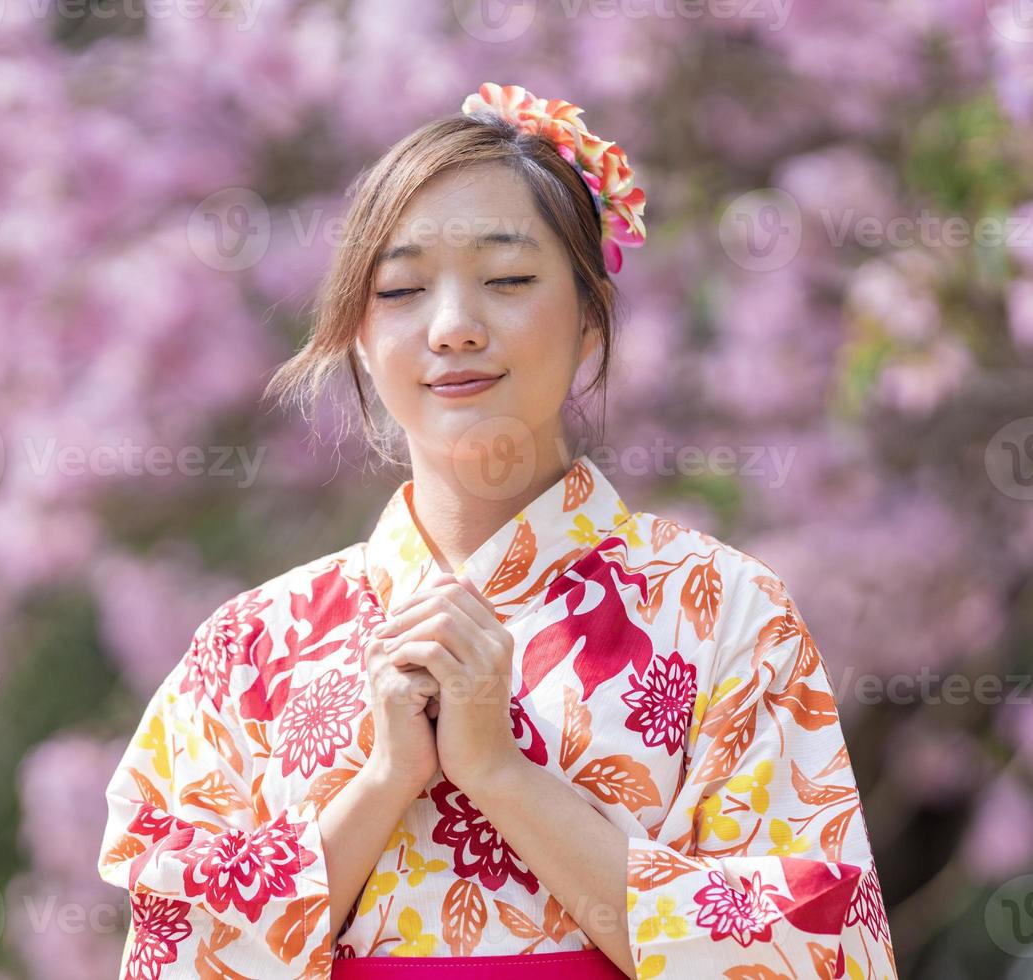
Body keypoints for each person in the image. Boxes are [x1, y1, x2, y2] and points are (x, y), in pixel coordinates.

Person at [96, 82, 896, 980]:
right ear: (360, 335)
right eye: (399, 290)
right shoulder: (251, 650)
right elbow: (170, 956)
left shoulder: (727, 617)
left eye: (508, 280)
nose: (452, 328)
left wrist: (501, 775)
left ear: (591, 317)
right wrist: (382, 782)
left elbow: (820, 950)